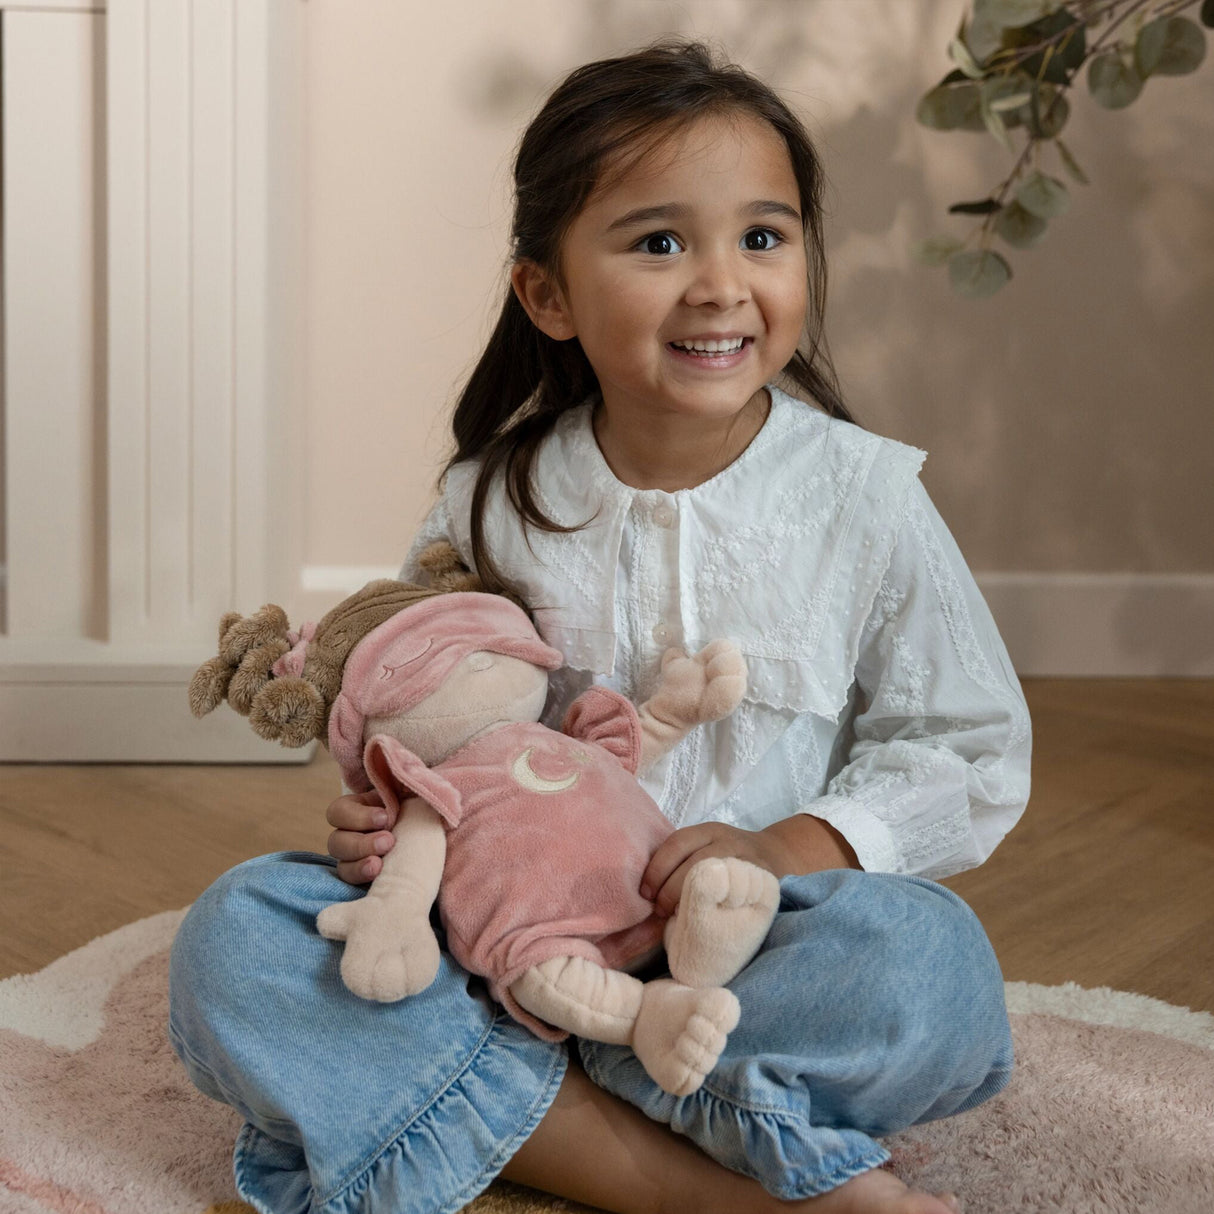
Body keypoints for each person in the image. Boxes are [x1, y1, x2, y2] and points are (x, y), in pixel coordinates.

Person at [169, 40, 1031, 1214]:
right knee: (236, 937)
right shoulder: (488, 495)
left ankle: (499, 1113)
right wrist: (381, 823)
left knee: (928, 965)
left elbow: (970, 746)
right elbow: (412, 697)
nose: (721, 282)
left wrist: (782, 851)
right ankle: (716, 1180)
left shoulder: (863, 497)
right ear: (548, 293)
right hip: (497, 954)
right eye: (660, 241)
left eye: (762, 237)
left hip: (749, 965)